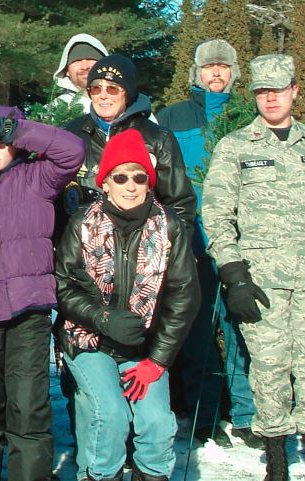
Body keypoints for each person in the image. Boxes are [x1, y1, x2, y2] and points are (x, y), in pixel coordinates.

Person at [203, 54, 305, 481]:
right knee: (269, 369)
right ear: (255, 95)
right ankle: (275, 460)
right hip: (260, 282)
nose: (271, 98)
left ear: (294, 91)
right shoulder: (235, 147)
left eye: (278, 90)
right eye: (262, 91)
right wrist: (233, 275)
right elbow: (217, 216)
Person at [0, 106, 85, 481]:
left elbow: (72, 151)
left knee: (28, 407)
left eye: (3, 143)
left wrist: (18, 129)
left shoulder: (37, 178)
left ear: (17, 146)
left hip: (30, 309)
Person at [55, 129, 201, 481]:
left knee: (156, 422)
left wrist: (157, 361)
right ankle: (100, 475)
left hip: (144, 346)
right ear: (105, 183)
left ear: (150, 183)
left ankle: (152, 474)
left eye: (139, 177)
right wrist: (102, 318)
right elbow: (62, 286)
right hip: (89, 340)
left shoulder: (169, 227)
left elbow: (184, 296)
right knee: (110, 415)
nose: (130, 185)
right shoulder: (82, 224)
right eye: (120, 176)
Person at [156, 38, 257, 448]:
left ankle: (247, 412)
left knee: (244, 327)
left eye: (224, 67)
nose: (216, 74)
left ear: (234, 73)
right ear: (195, 74)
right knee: (198, 328)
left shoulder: (246, 117)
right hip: (192, 239)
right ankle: (204, 413)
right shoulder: (172, 119)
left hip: (242, 240)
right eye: (208, 68)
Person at [60, 54, 197, 232]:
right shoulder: (69, 134)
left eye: (112, 89)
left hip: (143, 248)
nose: (103, 96)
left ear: (128, 93)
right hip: (83, 246)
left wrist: (173, 248)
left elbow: (180, 203)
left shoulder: (158, 138)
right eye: (95, 88)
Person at [51, 34, 110, 114]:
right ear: (66, 70)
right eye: (77, 61)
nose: (85, 66)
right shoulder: (53, 111)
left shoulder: (122, 103)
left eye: (90, 59)